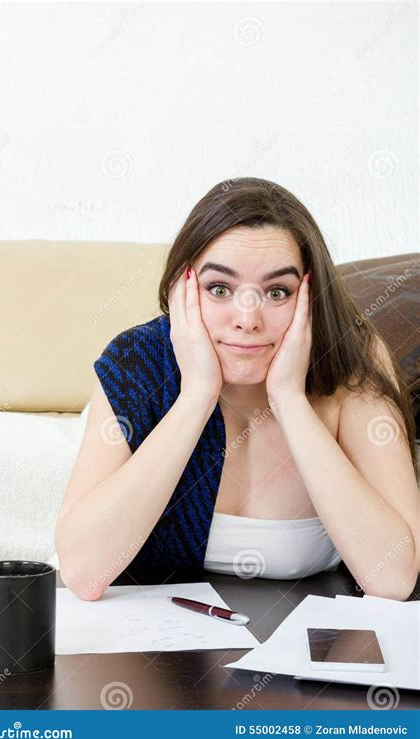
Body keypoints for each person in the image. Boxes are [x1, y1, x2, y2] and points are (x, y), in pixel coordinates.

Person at [54, 177, 419, 601]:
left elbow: (393, 578)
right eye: (220, 289)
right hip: (159, 654)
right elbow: (82, 573)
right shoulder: (136, 361)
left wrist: (289, 399)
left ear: (312, 296)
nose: (247, 318)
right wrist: (197, 395)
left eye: (277, 291)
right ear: (182, 290)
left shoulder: (353, 361)